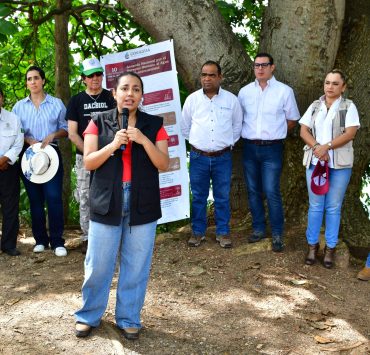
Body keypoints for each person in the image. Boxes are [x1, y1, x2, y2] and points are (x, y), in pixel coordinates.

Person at [74, 72, 169, 340]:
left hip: (142, 201)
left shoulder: (153, 125)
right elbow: (90, 162)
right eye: (124, 88)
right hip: (107, 199)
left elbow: (163, 164)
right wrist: (114, 144)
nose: (130, 93)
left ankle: (128, 317)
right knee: (98, 264)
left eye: (136, 89)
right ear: (114, 93)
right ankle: (88, 315)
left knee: (137, 264)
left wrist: (143, 140)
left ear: (141, 96)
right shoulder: (97, 122)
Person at [238, 53, 300, 252]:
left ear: (272, 67)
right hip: (249, 147)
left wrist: (276, 133)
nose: (260, 69)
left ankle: (277, 233)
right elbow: (238, 119)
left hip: (272, 148)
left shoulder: (284, 91)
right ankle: (258, 229)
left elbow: (292, 119)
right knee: (253, 190)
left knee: (272, 190)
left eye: (264, 65)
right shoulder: (245, 92)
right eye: (257, 65)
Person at [299, 69, 360, 268]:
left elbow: (350, 133)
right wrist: (318, 147)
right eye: (327, 83)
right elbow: (303, 130)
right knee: (315, 206)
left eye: (335, 83)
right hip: (316, 164)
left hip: (339, 165)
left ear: (343, 87)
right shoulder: (315, 106)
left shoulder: (348, 106)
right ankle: (312, 246)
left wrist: (328, 146)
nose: (330, 87)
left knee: (333, 207)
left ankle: (330, 248)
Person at [181, 60, 243, 248]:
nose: (207, 79)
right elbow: (185, 127)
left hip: (222, 157)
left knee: (222, 196)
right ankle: (197, 232)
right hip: (199, 157)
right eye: (204, 75)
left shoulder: (231, 100)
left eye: (211, 75)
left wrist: (225, 144)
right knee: (199, 196)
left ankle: (223, 232)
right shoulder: (192, 100)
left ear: (220, 77)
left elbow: (237, 126)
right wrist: (199, 144)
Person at [12, 66, 68, 257]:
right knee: (35, 200)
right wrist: (27, 139)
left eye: (36, 78)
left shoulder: (57, 104)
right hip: (28, 158)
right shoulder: (18, 107)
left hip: (51, 156)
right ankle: (40, 240)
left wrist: (54, 134)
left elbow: (66, 129)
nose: (33, 82)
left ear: (43, 81)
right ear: (27, 83)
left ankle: (58, 241)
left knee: (53, 197)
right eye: (29, 79)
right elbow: (15, 133)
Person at [67, 58, 116, 254]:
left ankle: (111, 234)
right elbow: (72, 133)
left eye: (99, 74)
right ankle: (88, 237)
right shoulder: (76, 100)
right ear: (83, 79)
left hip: (110, 156)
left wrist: (106, 151)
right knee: (86, 197)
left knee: (112, 194)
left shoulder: (111, 97)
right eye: (91, 76)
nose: (96, 79)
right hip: (84, 158)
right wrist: (89, 153)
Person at [0, 88, 24, 256]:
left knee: (10, 207)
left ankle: (8, 245)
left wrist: (5, 159)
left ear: (2, 98)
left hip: (8, 167)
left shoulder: (13, 118)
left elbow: (18, 142)